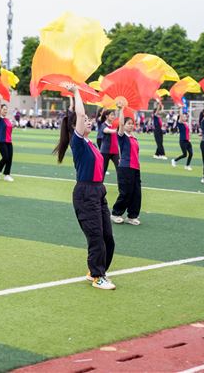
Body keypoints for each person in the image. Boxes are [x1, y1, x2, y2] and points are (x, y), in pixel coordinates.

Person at [53, 83, 115, 290]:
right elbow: (79, 115)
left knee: (108, 238)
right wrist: (76, 92)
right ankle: (98, 276)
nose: (88, 122)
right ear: (76, 127)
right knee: (96, 237)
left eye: (89, 120)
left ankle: (96, 271)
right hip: (85, 193)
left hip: (98, 191)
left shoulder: (91, 143)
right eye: (85, 120)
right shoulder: (77, 142)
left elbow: (79, 116)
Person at [111, 103, 142, 226]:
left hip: (135, 168)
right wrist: (122, 109)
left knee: (136, 193)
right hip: (125, 167)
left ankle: (132, 216)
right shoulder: (122, 136)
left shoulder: (134, 138)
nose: (130, 125)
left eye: (132, 124)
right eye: (128, 123)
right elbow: (121, 124)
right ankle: (116, 213)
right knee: (125, 192)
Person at [0, 103, 14, 182]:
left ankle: (7, 175)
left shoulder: (7, 120)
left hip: (9, 141)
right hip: (1, 141)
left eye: (6, 109)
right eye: (4, 109)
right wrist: (0, 101)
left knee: (10, 158)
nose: (5, 111)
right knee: (5, 157)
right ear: (0, 110)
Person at [98, 109, 119, 178]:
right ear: (107, 116)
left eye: (114, 115)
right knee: (103, 170)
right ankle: (99, 187)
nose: (113, 116)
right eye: (111, 115)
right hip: (105, 151)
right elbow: (107, 130)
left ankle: (122, 187)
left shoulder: (115, 124)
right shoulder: (103, 125)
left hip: (115, 151)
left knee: (120, 169)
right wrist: (117, 130)